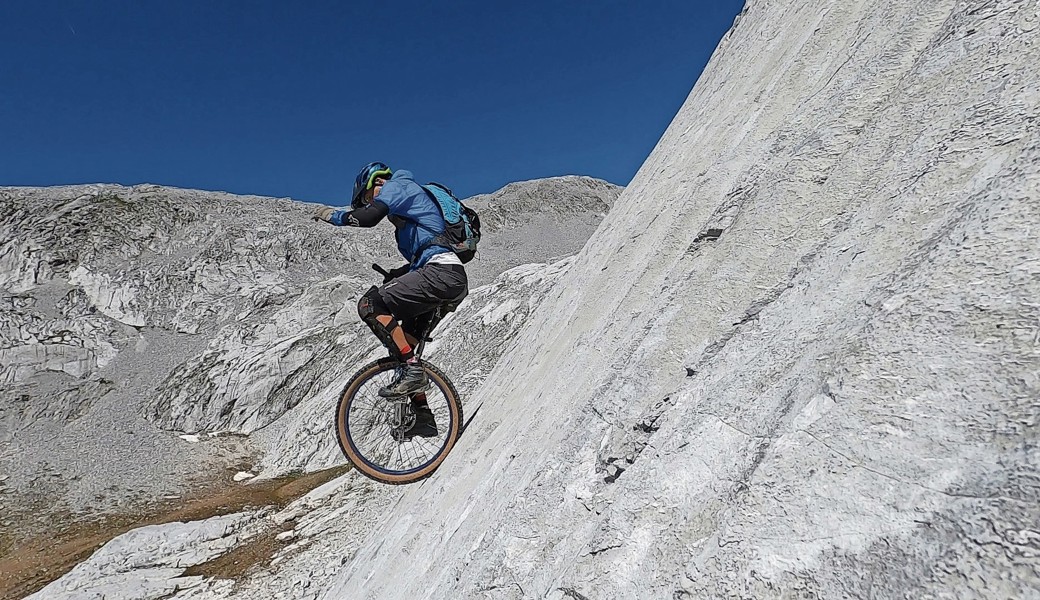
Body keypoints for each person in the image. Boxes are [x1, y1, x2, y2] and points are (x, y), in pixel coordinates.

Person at [313, 162, 468, 435]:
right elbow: (428, 252)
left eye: (365, 198)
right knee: (403, 347)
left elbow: (368, 217)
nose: (369, 203)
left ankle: (412, 370)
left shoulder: (398, 185)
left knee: (369, 305)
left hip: (442, 273)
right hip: (447, 278)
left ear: (374, 183)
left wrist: (332, 216)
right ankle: (423, 417)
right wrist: (399, 273)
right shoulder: (407, 220)